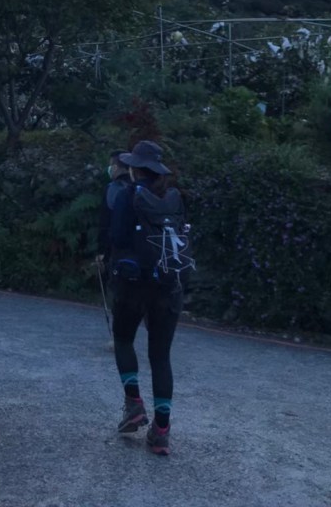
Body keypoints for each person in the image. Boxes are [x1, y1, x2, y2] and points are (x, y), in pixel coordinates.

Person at [109, 139, 185, 456]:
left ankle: (134, 404)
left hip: (133, 284)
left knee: (123, 340)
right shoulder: (173, 198)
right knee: (161, 357)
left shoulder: (128, 196)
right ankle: (161, 432)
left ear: (135, 168)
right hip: (168, 285)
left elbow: (116, 236)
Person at [96, 150, 129, 270]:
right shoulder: (139, 187)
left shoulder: (112, 189)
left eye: (110, 166)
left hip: (115, 249)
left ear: (115, 167)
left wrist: (101, 251)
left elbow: (105, 222)